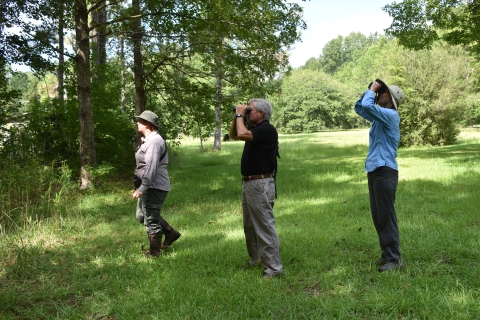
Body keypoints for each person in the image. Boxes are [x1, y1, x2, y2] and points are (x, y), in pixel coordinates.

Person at [354, 80, 405, 272]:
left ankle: (394, 259)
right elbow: (359, 107)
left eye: (382, 92)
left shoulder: (390, 115)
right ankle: (387, 255)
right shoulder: (380, 117)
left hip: (385, 171)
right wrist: (370, 92)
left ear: (390, 99)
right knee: (378, 216)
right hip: (376, 170)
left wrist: (371, 91)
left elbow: (367, 105)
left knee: (386, 215)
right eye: (379, 91)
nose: (378, 93)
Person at [229, 98, 282, 278]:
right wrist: (237, 115)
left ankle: (274, 268)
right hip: (250, 183)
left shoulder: (267, 129)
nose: (246, 112)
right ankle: (256, 259)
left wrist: (239, 114)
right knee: (249, 225)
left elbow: (242, 134)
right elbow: (234, 135)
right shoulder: (254, 129)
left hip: (260, 184)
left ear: (261, 113)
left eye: (249, 110)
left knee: (264, 225)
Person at [133, 110, 181, 256]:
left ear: (147, 125)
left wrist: (142, 187)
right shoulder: (149, 140)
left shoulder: (154, 141)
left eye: (140, 121)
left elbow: (151, 166)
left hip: (154, 185)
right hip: (149, 185)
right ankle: (171, 233)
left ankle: (154, 253)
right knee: (141, 216)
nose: (137, 123)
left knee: (151, 219)